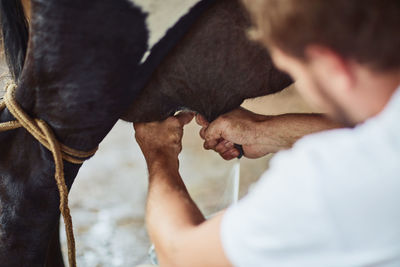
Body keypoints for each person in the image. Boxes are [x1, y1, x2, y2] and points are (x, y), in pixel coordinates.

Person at [133, 0, 400, 266]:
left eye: (296, 71)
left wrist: (160, 153)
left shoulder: (324, 186)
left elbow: (180, 255)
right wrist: (265, 131)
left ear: (332, 66)